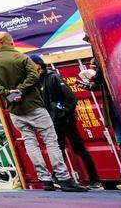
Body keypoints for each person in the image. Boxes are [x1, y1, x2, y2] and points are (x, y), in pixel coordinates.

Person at [0, 32, 86, 192]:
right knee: (51, 140)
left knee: (30, 142)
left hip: (14, 109)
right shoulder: (22, 58)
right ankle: (64, 178)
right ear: (11, 41)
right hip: (34, 106)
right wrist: (21, 91)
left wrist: (8, 93)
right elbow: (33, 76)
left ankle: (45, 180)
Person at [30, 56, 101, 189]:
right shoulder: (37, 81)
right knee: (58, 149)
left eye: (31, 63)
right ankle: (57, 178)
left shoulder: (53, 77)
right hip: (52, 121)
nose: (29, 66)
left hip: (65, 119)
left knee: (78, 148)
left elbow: (71, 98)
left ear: (39, 64)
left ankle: (94, 179)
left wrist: (63, 113)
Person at [79, 54, 121, 191]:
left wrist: (94, 77)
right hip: (115, 102)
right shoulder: (98, 56)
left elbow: (99, 78)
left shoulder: (104, 55)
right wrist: (90, 85)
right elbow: (99, 83)